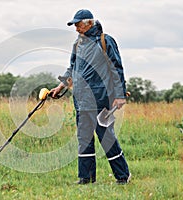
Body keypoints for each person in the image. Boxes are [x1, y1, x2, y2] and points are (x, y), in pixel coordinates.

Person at [50, 9, 131, 185]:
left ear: (89, 23)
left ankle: (123, 176)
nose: (76, 29)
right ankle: (86, 178)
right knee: (84, 139)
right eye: (75, 25)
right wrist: (61, 85)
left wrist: (119, 95)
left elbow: (117, 69)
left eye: (78, 25)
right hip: (81, 100)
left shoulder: (105, 41)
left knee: (106, 137)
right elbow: (71, 69)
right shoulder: (77, 44)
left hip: (101, 99)